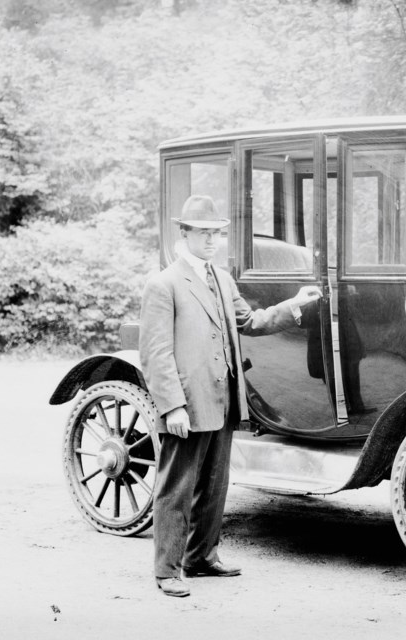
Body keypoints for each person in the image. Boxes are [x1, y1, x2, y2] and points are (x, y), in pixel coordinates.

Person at [139, 194, 321, 597]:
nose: (211, 241)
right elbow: (155, 354)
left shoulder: (221, 278)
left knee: (215, 483)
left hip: (223, 397)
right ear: (183, 233)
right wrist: (172, 406)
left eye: (216, 234)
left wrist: (293, 305)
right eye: (203, 233)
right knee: (177, 487)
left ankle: (201, 557)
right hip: (187, 402)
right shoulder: (163, 284)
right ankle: (168, 570)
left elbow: (250, 322)